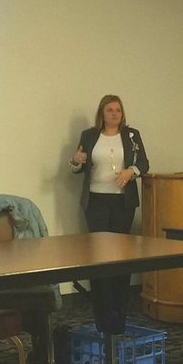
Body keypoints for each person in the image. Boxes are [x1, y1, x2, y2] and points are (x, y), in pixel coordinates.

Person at [68, 94, 149, 334]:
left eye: (118, 110)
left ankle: (120, 313)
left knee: (122, 257)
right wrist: (74, 161)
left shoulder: (131, 135)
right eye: (110, 110)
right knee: (100, 257)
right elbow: (78, 167)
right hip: (96, 201)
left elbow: (144, 163)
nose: (115, 114)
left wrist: (130, 171)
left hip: (123, 202)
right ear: (101, 113)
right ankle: (102, 314)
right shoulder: (90, 135)